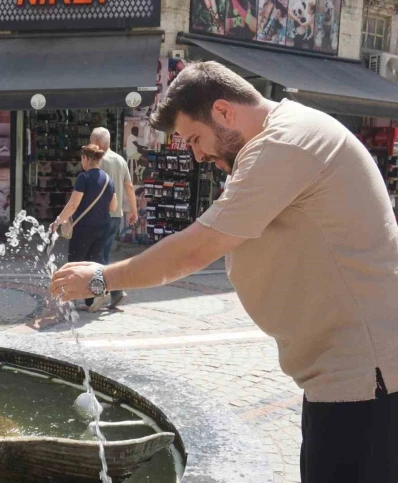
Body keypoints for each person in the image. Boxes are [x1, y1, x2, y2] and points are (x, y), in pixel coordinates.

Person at [51, 60, 398, 483]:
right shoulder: (275, 140)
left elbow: (195, 249)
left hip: (365, 379)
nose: (196, 154)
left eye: (195, 138)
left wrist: (102, 278)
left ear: (224, 111)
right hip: (343, 376)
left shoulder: (286, 143)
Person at [51, 144, 117, 313]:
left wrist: (58, 221)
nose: (81, 161)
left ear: (86, 158)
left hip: (84, 228)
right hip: (103, 227)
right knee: (94, 263)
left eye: (82, 158)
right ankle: (91, 299)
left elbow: (73, 204)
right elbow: (113, 206)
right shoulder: (109, 180)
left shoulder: (84, 177)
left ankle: (67, 299)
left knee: (74, 263)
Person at [90, 127, 137, 308]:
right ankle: (114, 291)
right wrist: (134, 211)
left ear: (97, 143)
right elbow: (129, 187)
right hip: (116, 215)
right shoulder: (120, 160)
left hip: (100, 215)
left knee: (97, 255)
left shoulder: (98, 160)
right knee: (104, 253)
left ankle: (106, 291)